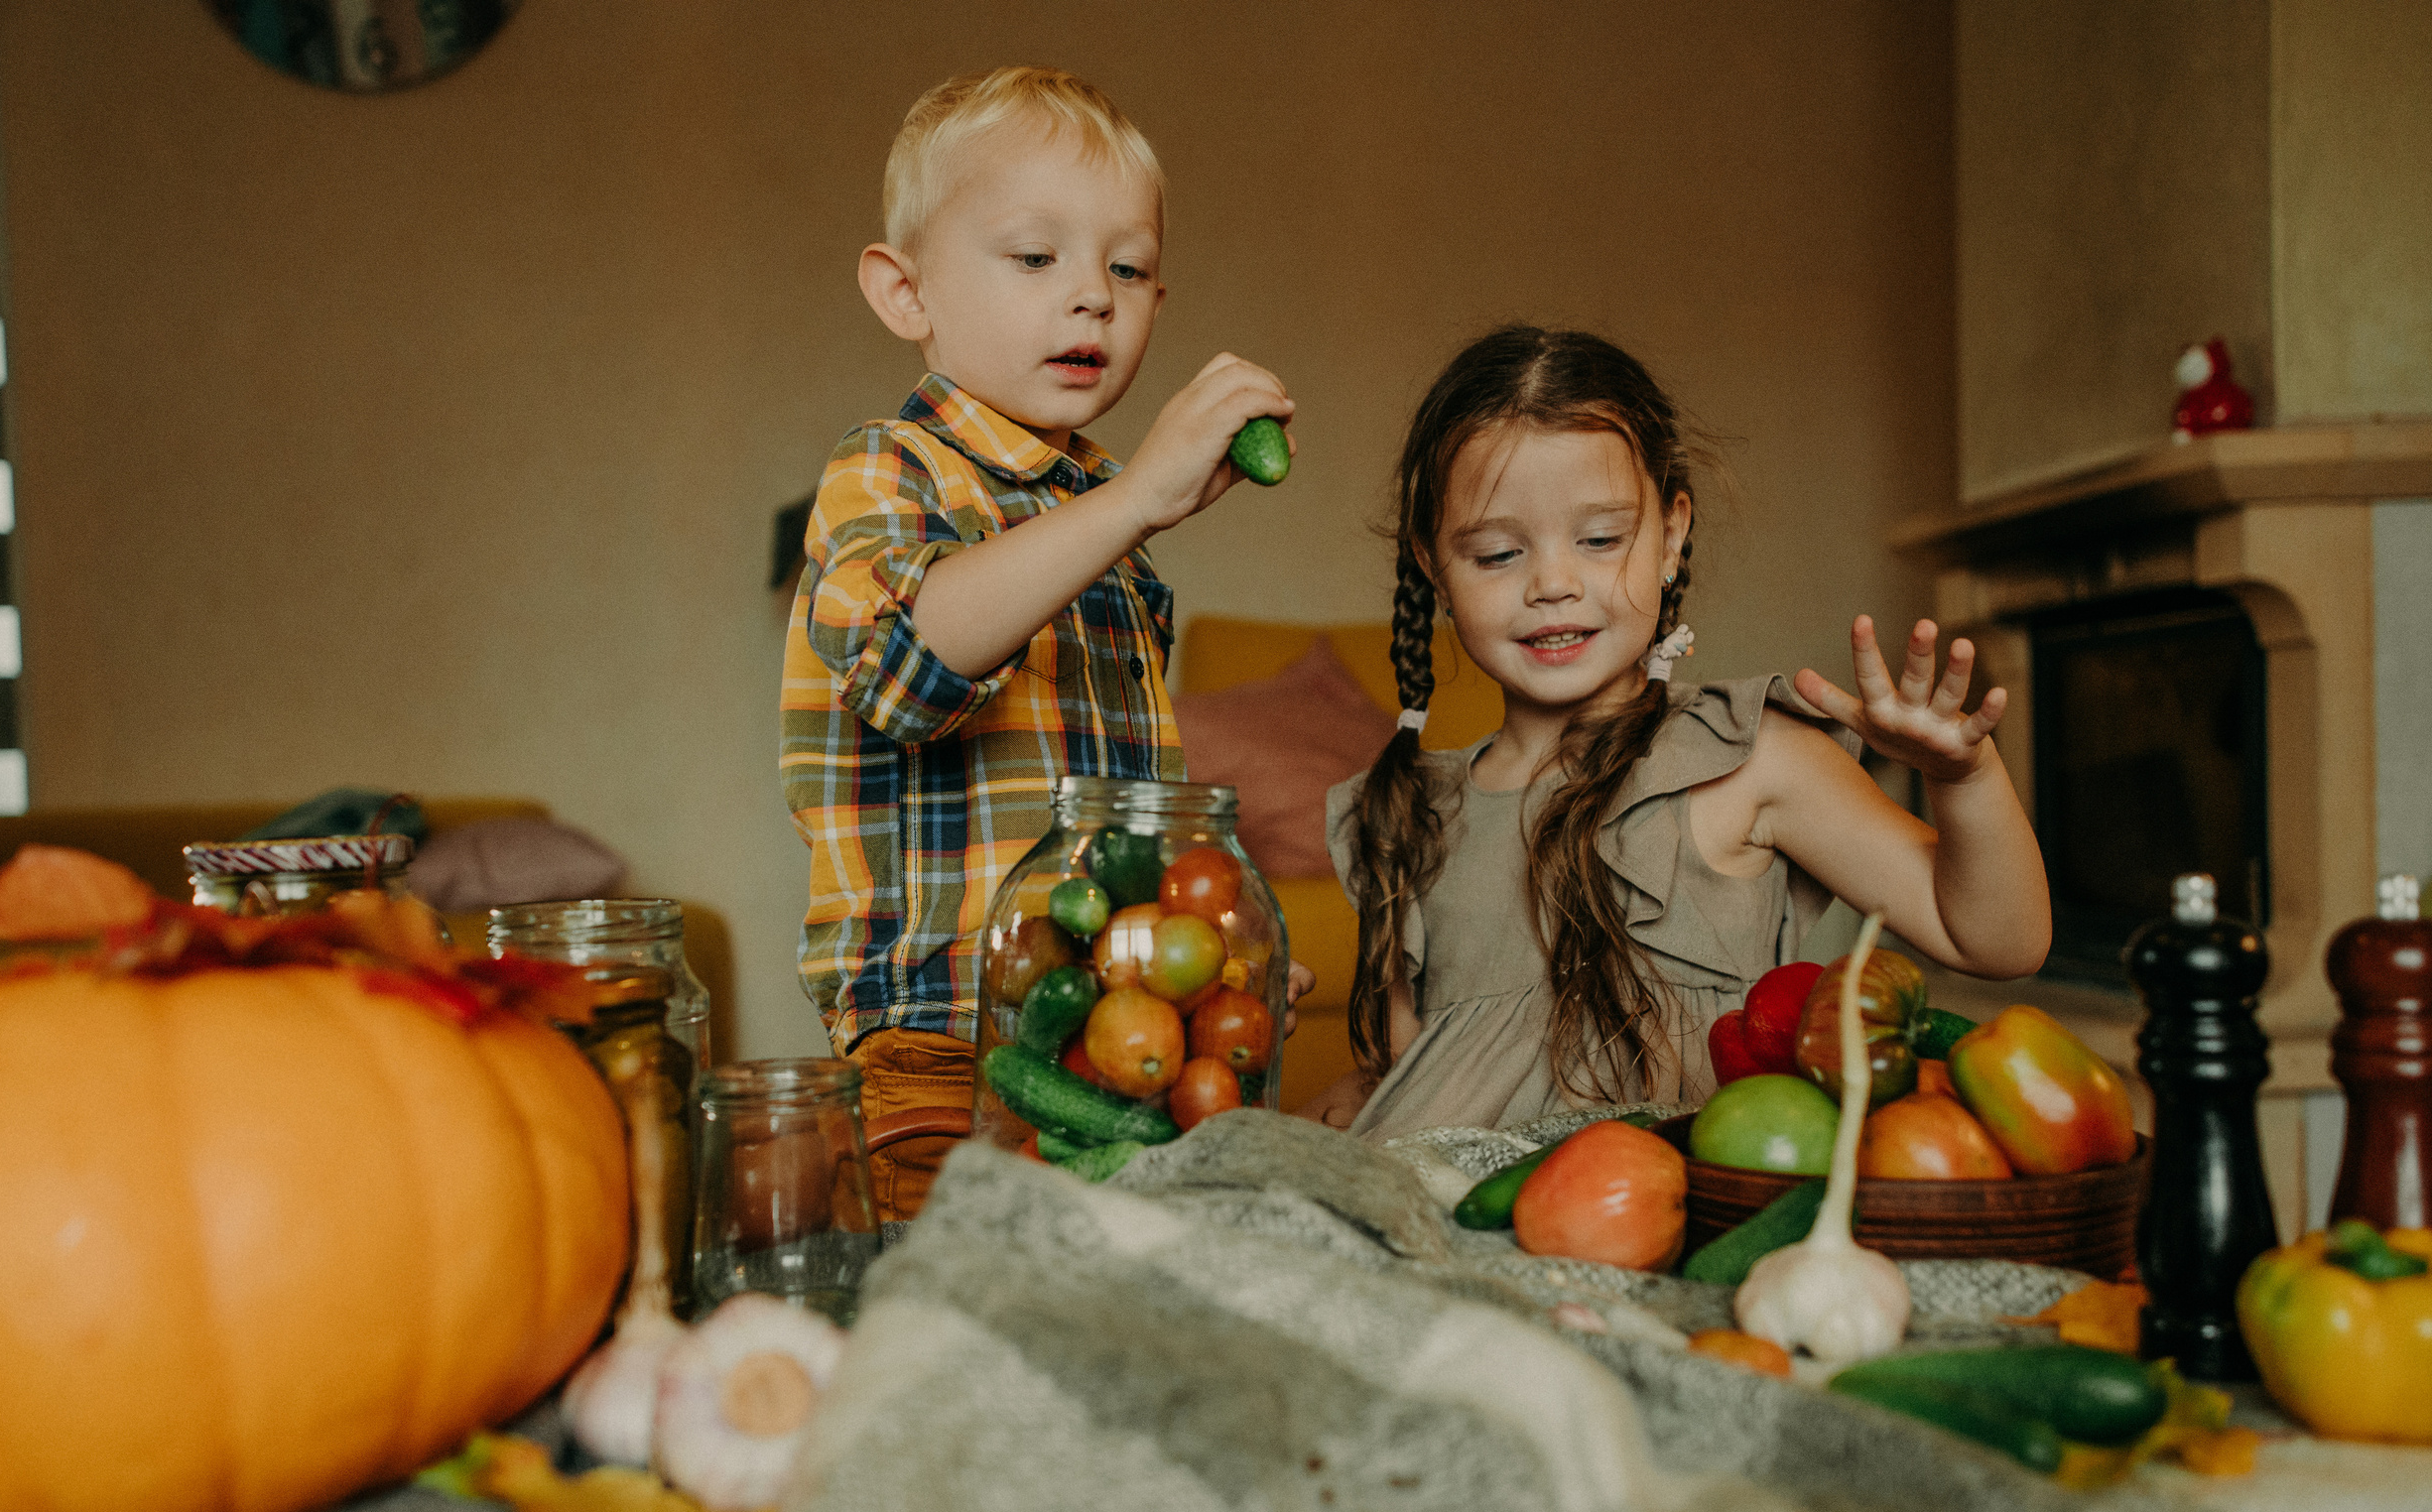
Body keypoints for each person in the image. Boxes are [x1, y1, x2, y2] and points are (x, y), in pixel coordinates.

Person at [1315, 325, 2050, 1143]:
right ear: (1432, 566)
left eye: (1600, 540)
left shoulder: (1749, 760)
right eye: (1496, 554)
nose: (1554, 584)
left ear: (1670, 534)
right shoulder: (1411, 809)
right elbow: (1416, 1070)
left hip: (1672, 1217)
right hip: (1449, 1227)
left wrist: (1966, 778)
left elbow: (1998, 940)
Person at [783, 66, 1297, 1216]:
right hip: (939, 1038)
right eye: (1034, 258)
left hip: (1104, 1029)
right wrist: (1129, 507)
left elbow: (1119, 825)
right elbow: (910, 674)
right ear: (903, 292)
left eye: (1126, 268)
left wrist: (1192, 955)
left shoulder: (1098, 519)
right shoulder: (888, 469)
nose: (1091, 300)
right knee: (952, 1298)